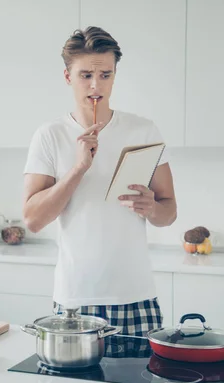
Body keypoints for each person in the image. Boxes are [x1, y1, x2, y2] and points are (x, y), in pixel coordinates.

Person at [22, 26, 177, 337]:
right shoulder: (49, 135)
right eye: (85, 76)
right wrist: (79, 167)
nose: (96, 85)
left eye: (105, 75)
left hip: (136, 295)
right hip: (76, 299)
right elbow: (33, 220)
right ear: (68, 77)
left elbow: (169, 211)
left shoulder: (143, 131)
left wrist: (151, 208)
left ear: (115, 75)